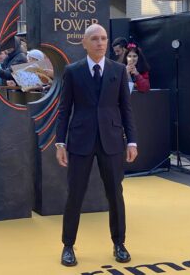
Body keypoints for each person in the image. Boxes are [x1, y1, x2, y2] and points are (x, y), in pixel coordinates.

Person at [55, 24, 138, 267]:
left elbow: (126, 108)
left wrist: (131, 140)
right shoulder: (72, 71)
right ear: (84, 43)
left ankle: (119, 243)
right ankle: (68, 246)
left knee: (115, 194)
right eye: (94, 38)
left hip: (111, 140)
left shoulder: (119, 70)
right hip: (80, 141)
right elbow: (64, 110)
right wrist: (60, 142)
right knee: (75, 194)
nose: (100, 42)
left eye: (103, 38)